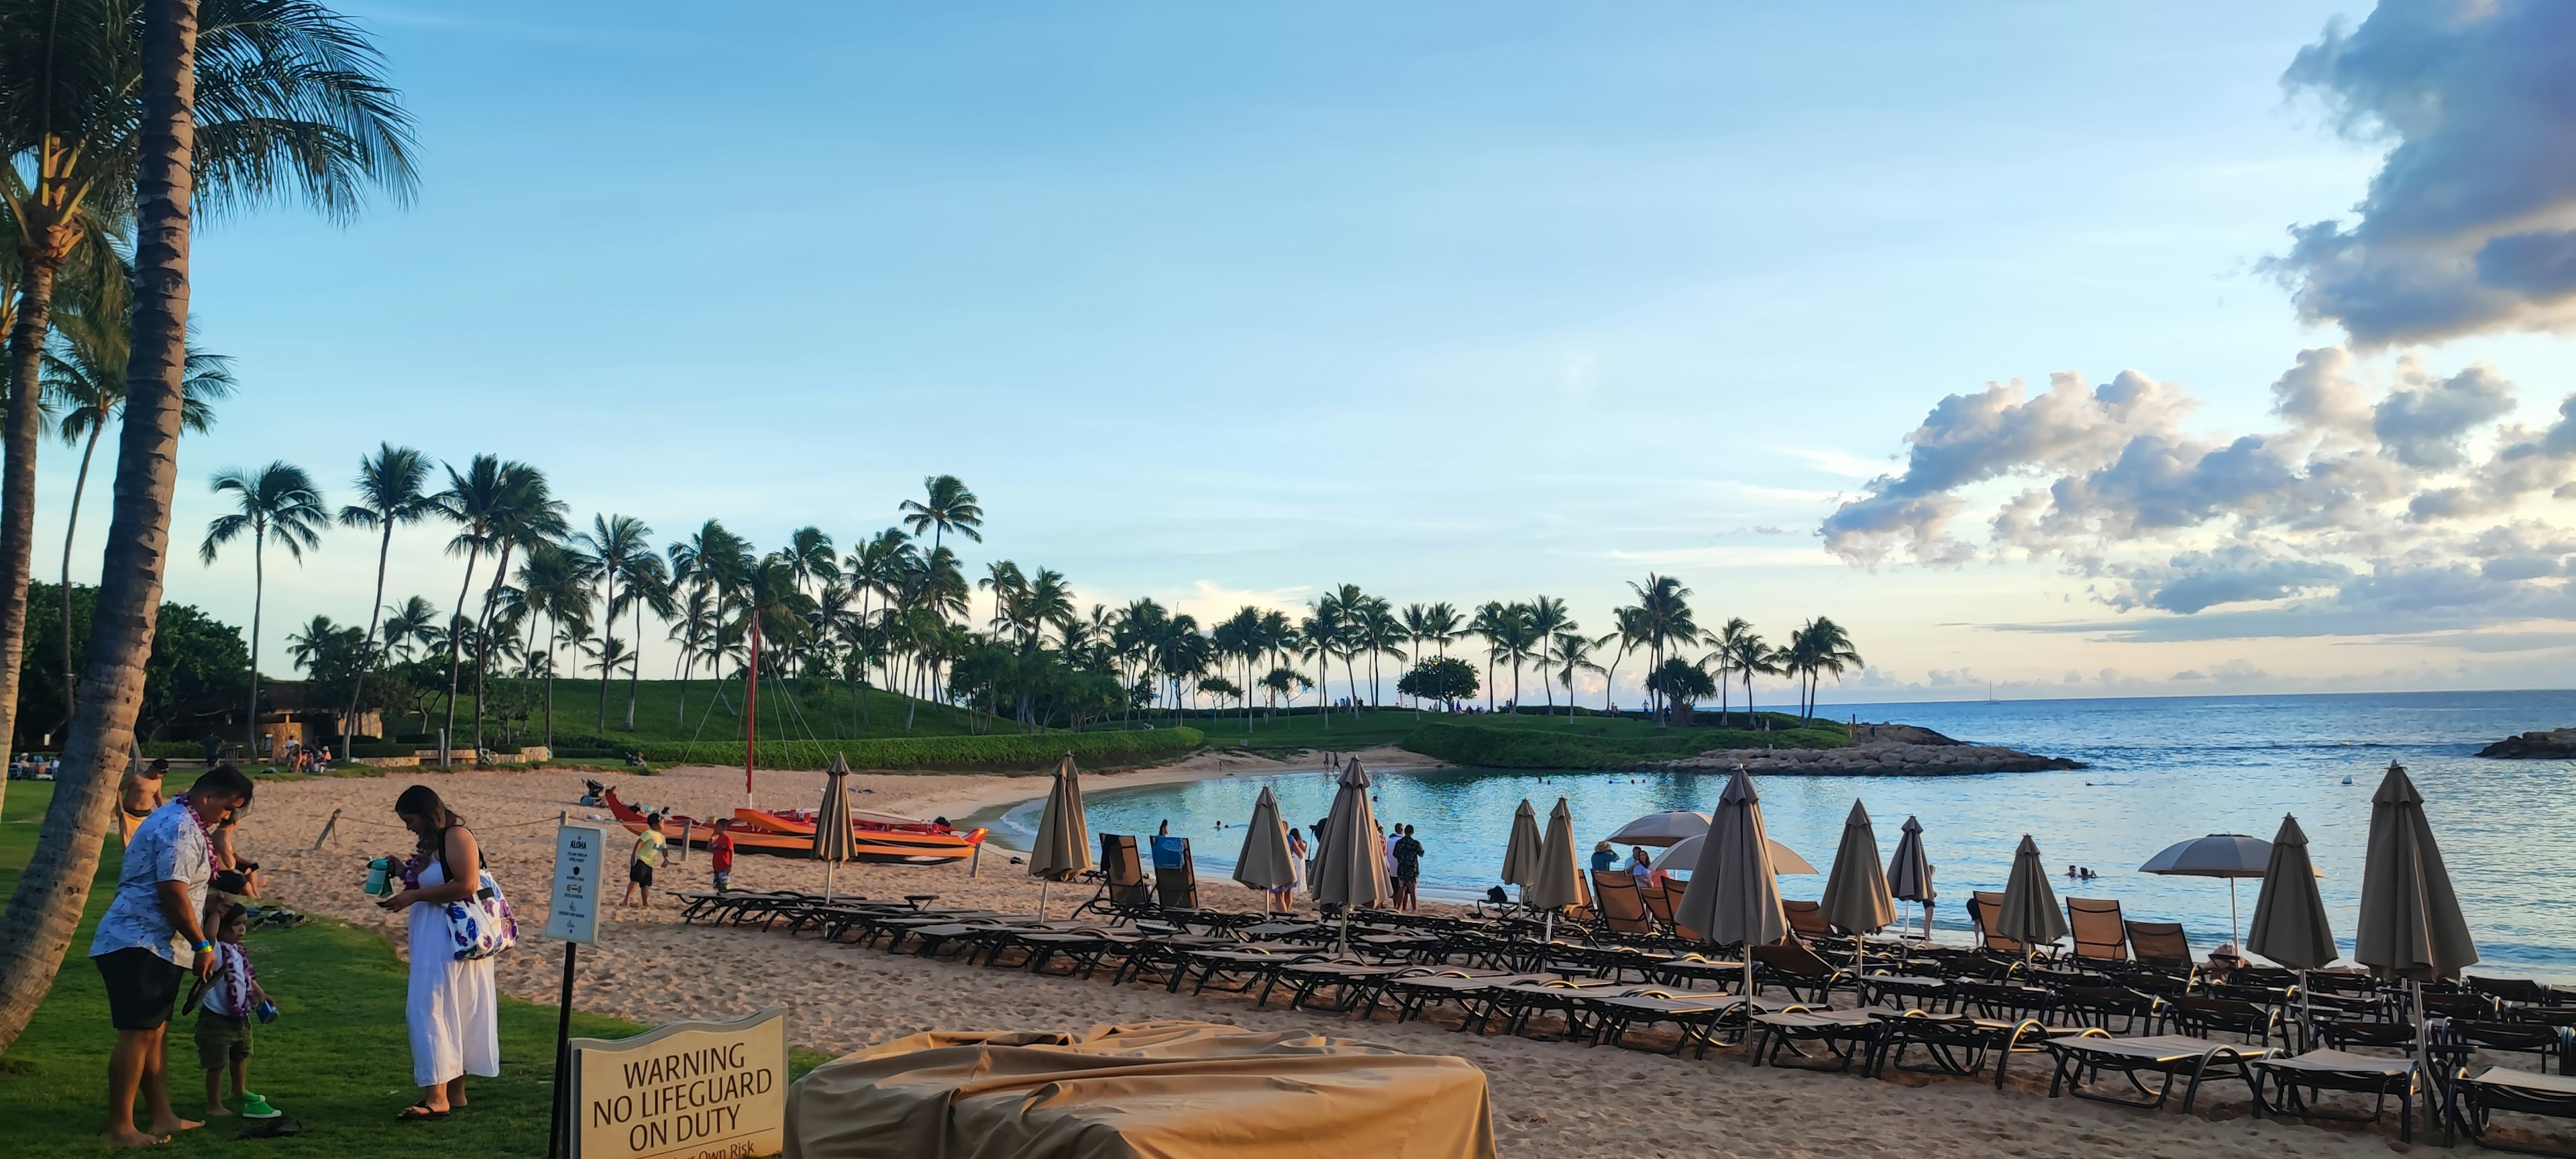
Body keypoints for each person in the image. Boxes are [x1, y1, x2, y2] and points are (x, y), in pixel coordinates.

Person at [89, 763, 256, 1147]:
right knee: (138, 1034)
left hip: (155, 944)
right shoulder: (180, 827)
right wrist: (202, 943)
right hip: (139, 944)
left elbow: (179, 889)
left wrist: (206, 903)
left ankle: (162, 1117)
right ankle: (121, 1128)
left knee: (154, 1034)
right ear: (208, 796)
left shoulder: (181, 819)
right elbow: (171, 892)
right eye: (228, 808)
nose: (227, 817)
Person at [376, 785, 499, 1120]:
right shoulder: (433, 844)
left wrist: (412, 897)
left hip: (451, 938)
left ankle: (437, 1098)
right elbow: (436, 881)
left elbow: (467, 885)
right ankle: (453, 1094)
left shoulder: (457, 835)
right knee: (450, 1007)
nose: (408, 827)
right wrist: (403, 871)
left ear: (428, 813)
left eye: (410, 819)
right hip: (436, 936)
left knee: (430, 1007)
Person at [194, 900, 278, 1120]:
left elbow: (247, 976)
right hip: (216, 1018)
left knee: (241, 1054)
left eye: (244, 924)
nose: (242, 929)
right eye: (236, 924)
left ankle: (238, 1091)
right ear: (221, 926)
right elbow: (209, 936)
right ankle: (214, 1105)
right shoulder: (215, 951)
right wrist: (215, 912)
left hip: (240, 1017)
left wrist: (260, 995)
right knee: (217, 1062)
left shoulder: (236, 951)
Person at [119, 758, 170, 844]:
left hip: (146, 815)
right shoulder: (137, 777)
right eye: (159, 773)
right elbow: (119, 789)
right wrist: (119, 807)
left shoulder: (158, 781)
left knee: (145, 843)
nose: (160, 776)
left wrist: (163, 811)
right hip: (129, 814)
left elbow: (158, 797)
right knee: (128, 844)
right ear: (152, 769)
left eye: (162, 774)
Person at [622, 812, 667, 909]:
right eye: (661, 823)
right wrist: (634, 855)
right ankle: (627, 900)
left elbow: (664, 849)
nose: (664, 825)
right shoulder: (648, 833)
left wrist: (666, 859)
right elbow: (639, 843)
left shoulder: (662, 838)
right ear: (655, 825)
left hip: (650, 863)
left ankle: (645, 902)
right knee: (635, 880)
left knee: (646, 883)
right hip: (641, 860)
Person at [1391, 825, 1424, 912]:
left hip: (1402, 869)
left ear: (1405, 832)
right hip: (1412, 870)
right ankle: (1414, 909)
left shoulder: (1399, 843)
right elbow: (1421, 854)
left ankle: (1398, 907)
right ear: (1412, 832)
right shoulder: (1416, 843)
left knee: (1401, 888)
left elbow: (1395, 854)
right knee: (1412, 890)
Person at [1281, 827, 1309, 909]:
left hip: (1293, 857)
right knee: (1299, 873)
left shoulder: (1289, 840)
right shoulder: (1299, 841)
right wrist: (1306, 844)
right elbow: (1303, 851)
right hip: (1298, 857)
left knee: (1295, 873)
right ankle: (1298, 887)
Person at [707, 823, 737, 893]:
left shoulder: (727, 839)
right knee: (717, 887)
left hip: (724, 866)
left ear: (724, 828)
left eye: (718, 827)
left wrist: (730, 864)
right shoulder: (717, 840)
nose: (716, 828)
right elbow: (709, 849)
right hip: (716, 866)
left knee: (724, 887)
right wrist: (711, 839)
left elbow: (731, 851)